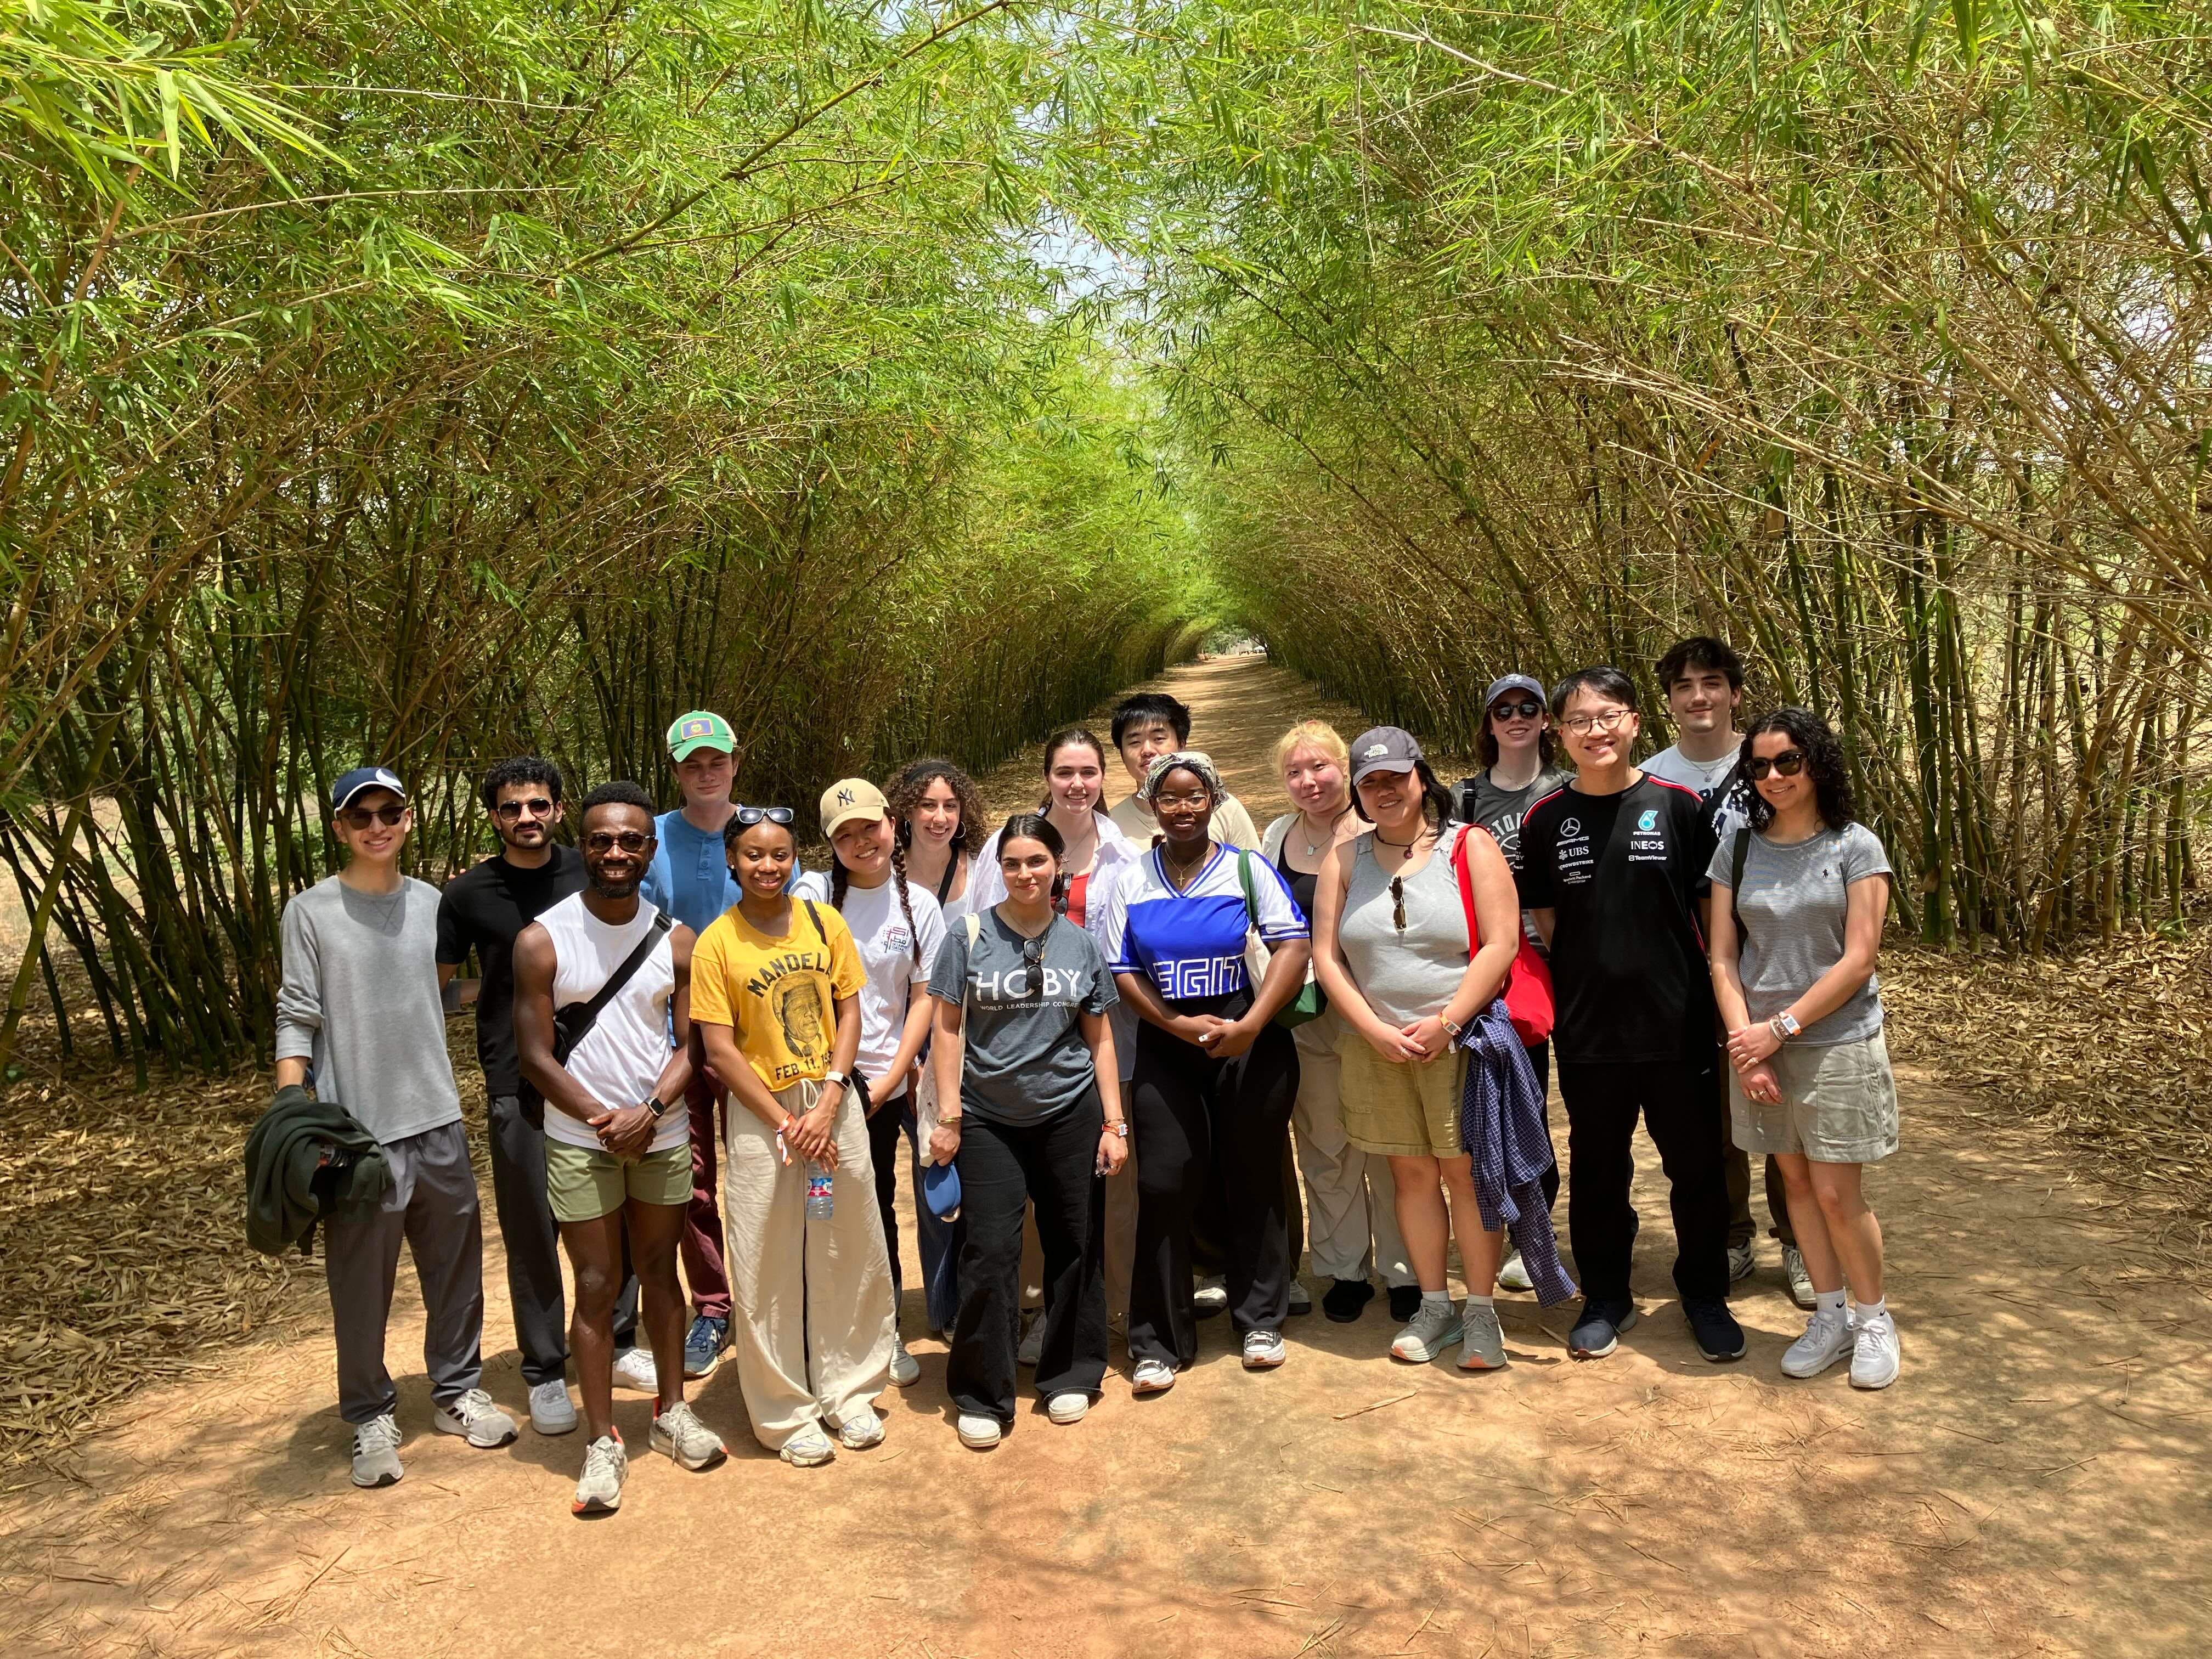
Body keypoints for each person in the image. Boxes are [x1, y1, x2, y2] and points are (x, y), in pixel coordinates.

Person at [276, 766, 516, 1488]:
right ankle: (371, 1415)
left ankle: (454, 1392)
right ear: (341, 829)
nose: (377, 825)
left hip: (436, 1116)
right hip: (355, 1133)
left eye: (389, 812)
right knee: (360, 1281)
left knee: (455, 1269)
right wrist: (294, 1113)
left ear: (408, 819)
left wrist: (518, 979)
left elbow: (440, 994)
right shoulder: (310, 913)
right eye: (362, 816)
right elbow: (296, 1015)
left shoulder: (432, 904)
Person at [513, 782, 728, 1514]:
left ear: (648, 849)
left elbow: (692, 1043)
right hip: (581, 1137)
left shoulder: (675, 938)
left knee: (661, 1276)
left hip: (659, 1130)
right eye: (602, 840)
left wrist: (653, 1108)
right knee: (599, 1285)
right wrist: (606, 1119)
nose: (615, 853)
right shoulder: (543, 939)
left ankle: (671, 1413)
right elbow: (536, 1057)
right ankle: (603, 1439)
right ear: (584, 844)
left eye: (630, 841)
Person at [1519, 669, 1744, 1363]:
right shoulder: (1546, 819)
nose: (1596, 731)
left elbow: (1712, 916)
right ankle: (1607, 1295)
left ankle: (1703, 1293)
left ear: (1636, 723)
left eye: (1609, 715)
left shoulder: (1679, 807)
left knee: (1697, 1167)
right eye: (1580, 720)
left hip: (1677, 1025)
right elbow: (1551, 924)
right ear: (1560, 734)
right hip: (1590, 1030)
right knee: (1597, 1169)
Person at [437, 757, 641, 1437]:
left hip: (607, 1077)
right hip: (516, 1081)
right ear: (493, 817)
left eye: (538, 804)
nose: (525, 817)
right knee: (533, 1230)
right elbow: (439, 987)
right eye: (510, 807)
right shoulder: (467, 894)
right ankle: (546, 1370)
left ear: (559, 809)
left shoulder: (594, 865)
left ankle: (618, 1342)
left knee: (617, 1219)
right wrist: (493, 991)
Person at [1310, 728, 1523, 1370]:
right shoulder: (1345, 861)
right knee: (1410, 1174)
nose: (1385, 792)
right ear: (1357, 791)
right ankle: (1435, 1304)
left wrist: (1449, 1021)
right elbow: (1327, 955)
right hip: (1376, 1046)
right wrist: (1374, 1029)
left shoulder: (1470, 845)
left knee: (1466, 1174)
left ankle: (1482, 1312)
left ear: (1420, 778)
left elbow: (1502, 943)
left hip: (1459, 1042)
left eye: (1396, 779)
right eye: (1370, 783)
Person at [690, 804, 894, 1466]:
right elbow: (718, 1050)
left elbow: (850, 1008)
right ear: (732, 860)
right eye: (753, 854)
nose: (767, 866)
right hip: (764, 1117)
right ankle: (783, 1411)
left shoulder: (822, 920)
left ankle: (849, 1388)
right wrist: (787, 1123)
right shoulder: (717, 943)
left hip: (832, 1107)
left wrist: (833, 1095)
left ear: (795, 856)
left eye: (780, 854)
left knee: (845, 1241)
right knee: (765, 1255)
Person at [1102, 753, 1310, 1391]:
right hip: (1170, 1045)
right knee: (1165, 1184)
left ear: (1214, 801)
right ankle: (1159, 1340)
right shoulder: (1131, 878)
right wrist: (1171, 1024)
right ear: (1151, 805)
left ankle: (1259, 1319)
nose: (1184, 807)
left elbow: (1292, 945)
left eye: (1197, 796)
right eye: (1171, 798)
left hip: (1248, 1038)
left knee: (1252, 1178)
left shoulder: (1246, 869)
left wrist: (1249, 1026)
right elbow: (1121, 968)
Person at [1708, 709, 1901, 1388]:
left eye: (1787, 761)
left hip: (1835, 1041)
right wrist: (1749, 1046)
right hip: (1759, 1044)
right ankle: (1830, 1314)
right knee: (1794, 1186)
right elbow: (1723, 957)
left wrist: (1780, 1029)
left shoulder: (1855, 846)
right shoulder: (1737, 845)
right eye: (1758, 766)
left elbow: (1858, 961)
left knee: (1835, 1191)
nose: (1773, 777)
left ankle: (1874, 1319)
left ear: (1815, 762)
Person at [638, 710, 829, 1384]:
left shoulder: (766, 834)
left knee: (776, 1168)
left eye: (716, 759)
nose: (706, 772)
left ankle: (788, 1297)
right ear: (676, 771)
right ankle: (715, 1307)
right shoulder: (649, 837)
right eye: (692, 763)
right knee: (690, 1179)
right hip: (673, 1037)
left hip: (761, 1041)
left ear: (736, 762)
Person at [927, 814, 1127, 1448]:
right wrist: (950, 1116)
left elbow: (1098, 1037)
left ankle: (1071, 1371)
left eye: (1035, 862)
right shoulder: (968, 934)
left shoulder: (1080, 943)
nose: (1023, 874)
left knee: (1075, 1239)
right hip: (989, 1116)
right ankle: (982, 1392)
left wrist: (1114, 1122)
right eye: (1011, 863)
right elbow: (947, 1029)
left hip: (1070, 1111)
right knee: (991, 1251)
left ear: (1056, 866)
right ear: (999, 869)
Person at [965, 730, 1144, 1352]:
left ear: (1104, 777)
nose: (1077, 784)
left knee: (1109, 1185)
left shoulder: (1125, 850)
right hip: (1019, 1051)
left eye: (1089, 772)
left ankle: (1112, 1306)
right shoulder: (1009, 843)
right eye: (1064, 772)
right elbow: (978, 936)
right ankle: (1038, 1308)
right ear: (1047, 776)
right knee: (1036, 1198)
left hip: (1105, 1041)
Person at [1642, 637, 1802, 1300]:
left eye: (1712, 682)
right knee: (1714, 1113)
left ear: (1736, 693)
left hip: (1772, 964)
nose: (1698, 696)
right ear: (1670, 702)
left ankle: (1797, 1239)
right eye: (1684, 686)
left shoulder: (1771, 768)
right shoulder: (1650, 777)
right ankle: (1732, 1234)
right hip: (1684, 973)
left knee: (1788, 1105)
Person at [1259, 721, 1415, 1324]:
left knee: (1390, 1144)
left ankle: (1404, 1270)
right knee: (1326, 1146)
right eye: (1295, 771)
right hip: (1307, 1015)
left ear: (1344, 768)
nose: (1310, 781)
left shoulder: (1381, 827)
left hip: (1379, 1007)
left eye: (1320, 766)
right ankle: (1343, 1269)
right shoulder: (1277, 836)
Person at [823, 778, 947, 1389]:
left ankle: (928, 1313)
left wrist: (894, 1075)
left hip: (899, 1077)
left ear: (891, 826)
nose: (860, 841)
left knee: (938, 1196)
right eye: (844, 835)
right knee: (859, 1211)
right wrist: (841, 1084)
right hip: (834, 1085)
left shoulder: (918, 905)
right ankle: (873, 1329)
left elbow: (925, 999)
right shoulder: (814, 900)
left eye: (869, 827)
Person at [1449, 678, 1571, 1295]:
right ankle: (1526, 1229)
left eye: (1529, 709)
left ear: (1548, 721)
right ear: (1488, 723)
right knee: (1519, 1101)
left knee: (1580, 1107)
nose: (1517, 718)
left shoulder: (1568, 790)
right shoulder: (1465, 799)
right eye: (1504, 711)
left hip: (1571, 963)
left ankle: (1561, 1231)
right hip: (1506, 974)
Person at [1107, 693, 1262, 853]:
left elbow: (1253, 870)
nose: (1147, 750)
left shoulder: (1224, 809)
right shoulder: (1111, 826)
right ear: (1122, 754)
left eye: (1159, 739)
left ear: (1182, 744)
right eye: (1134, 742)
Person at [889, 757, 988, 926]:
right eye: (928, 805)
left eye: (950, 806)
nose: (941, 818)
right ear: (907, 811)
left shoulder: (979, 870)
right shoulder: (886, 875)